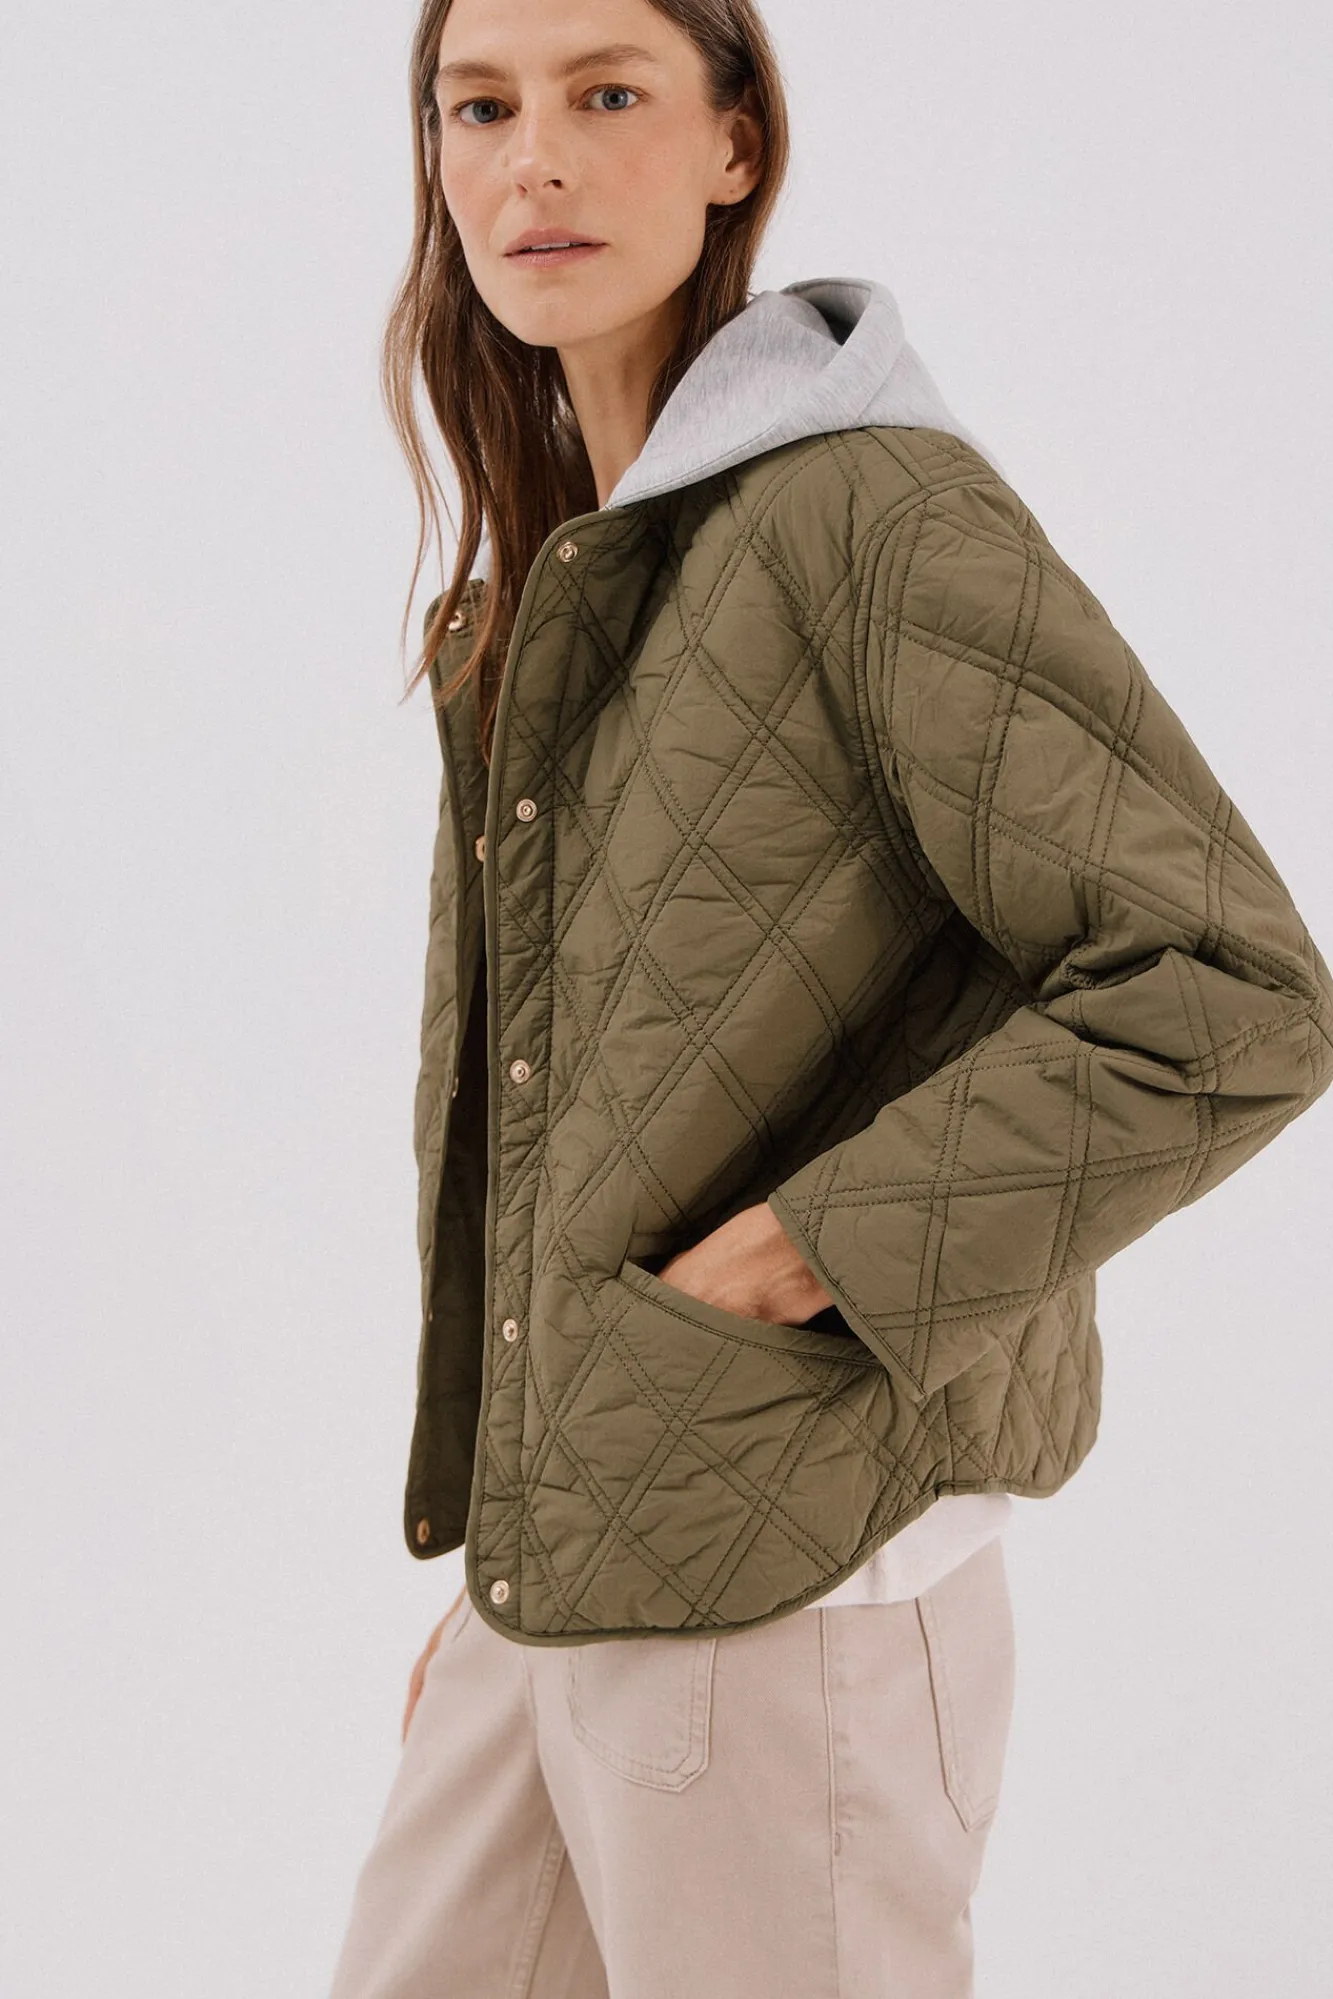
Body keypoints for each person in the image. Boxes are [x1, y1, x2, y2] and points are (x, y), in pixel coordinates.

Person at [327, 2, 1333, 1994]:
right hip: (583, 1569)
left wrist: (801, 1252)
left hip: (799, 1595)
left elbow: (1230, 990)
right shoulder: (560, 580)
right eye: (480, 106)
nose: (535, 160)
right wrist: (534, 1538)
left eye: (608, 94)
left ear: (736, 146)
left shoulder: (867, 514)